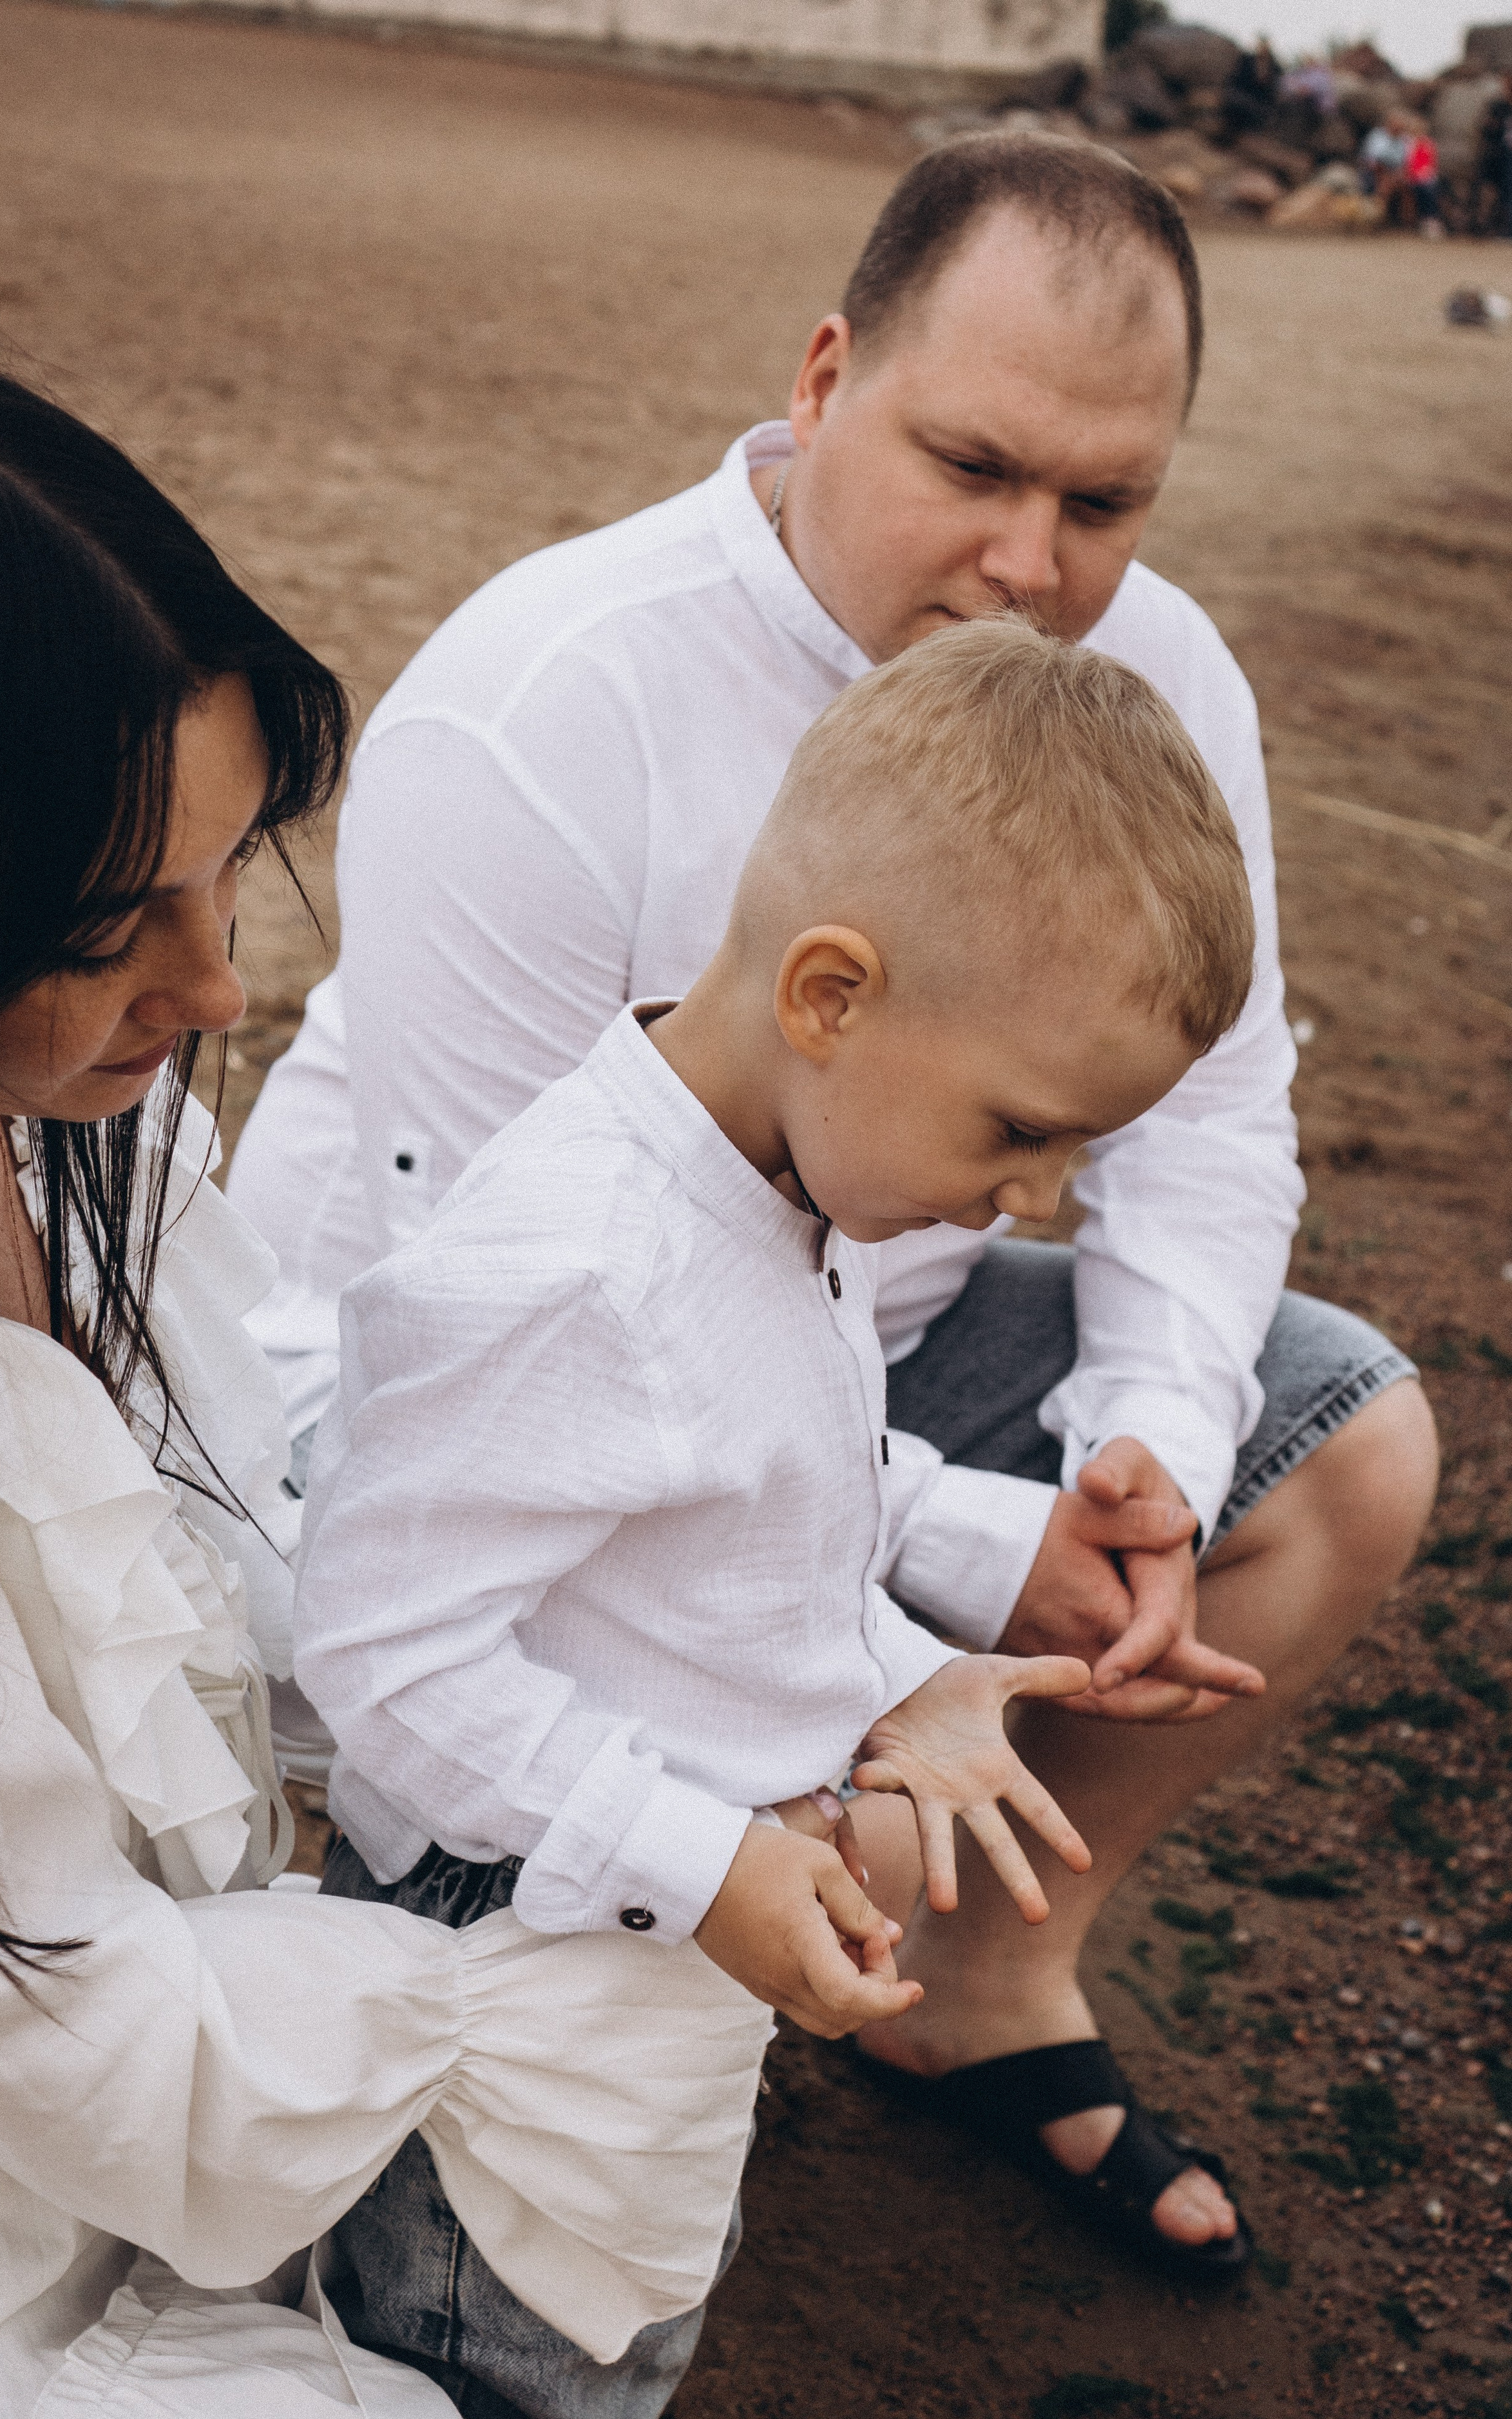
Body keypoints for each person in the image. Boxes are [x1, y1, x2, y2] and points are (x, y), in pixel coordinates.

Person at [229, 132, 1438, 2268]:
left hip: (836, 1363)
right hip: (490, 1432)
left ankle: (964, 1985)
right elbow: (505, 1363)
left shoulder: (1158, 673)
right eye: (973, 464)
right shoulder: (550, 703)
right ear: (820, 377)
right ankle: (696, 1941)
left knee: (1340, 1449)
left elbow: (1212, 1116)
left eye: (1104, 502)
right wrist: (871, 1655)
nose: (1032, 562)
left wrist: (1132, 1450)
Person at [0, 349, 767, 2419]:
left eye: (228, 867)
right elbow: (63, 2019)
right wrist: (526, 2008)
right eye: (110, 925)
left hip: (187, 2048)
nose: (219, 991)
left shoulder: (81, 1119)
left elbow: (255, 1537)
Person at [294, 621, 1263, 2419]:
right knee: (495, 2379)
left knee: (623, 2307)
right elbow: (385, 1656)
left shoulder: (770, 1186)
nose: (1024, 1201)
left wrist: (955, 1628)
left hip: (651, 1940)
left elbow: (767, 1485)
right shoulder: (575, 1269)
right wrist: (707, 1859)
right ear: (831, 993)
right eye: (1018, 1132)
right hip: (509, 1981)